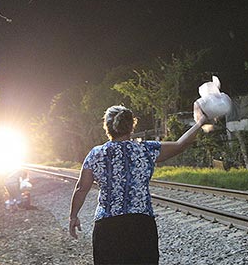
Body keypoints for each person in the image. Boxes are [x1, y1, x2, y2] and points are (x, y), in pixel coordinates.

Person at [69, 103, 208, 265]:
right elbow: (180, 145)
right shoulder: (146, 150)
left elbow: (81, 189)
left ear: (107, 127)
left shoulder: (96, 154)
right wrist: (200, 122)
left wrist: (73, 216)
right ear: (131, 126)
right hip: (141, 224)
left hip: (107, 226)